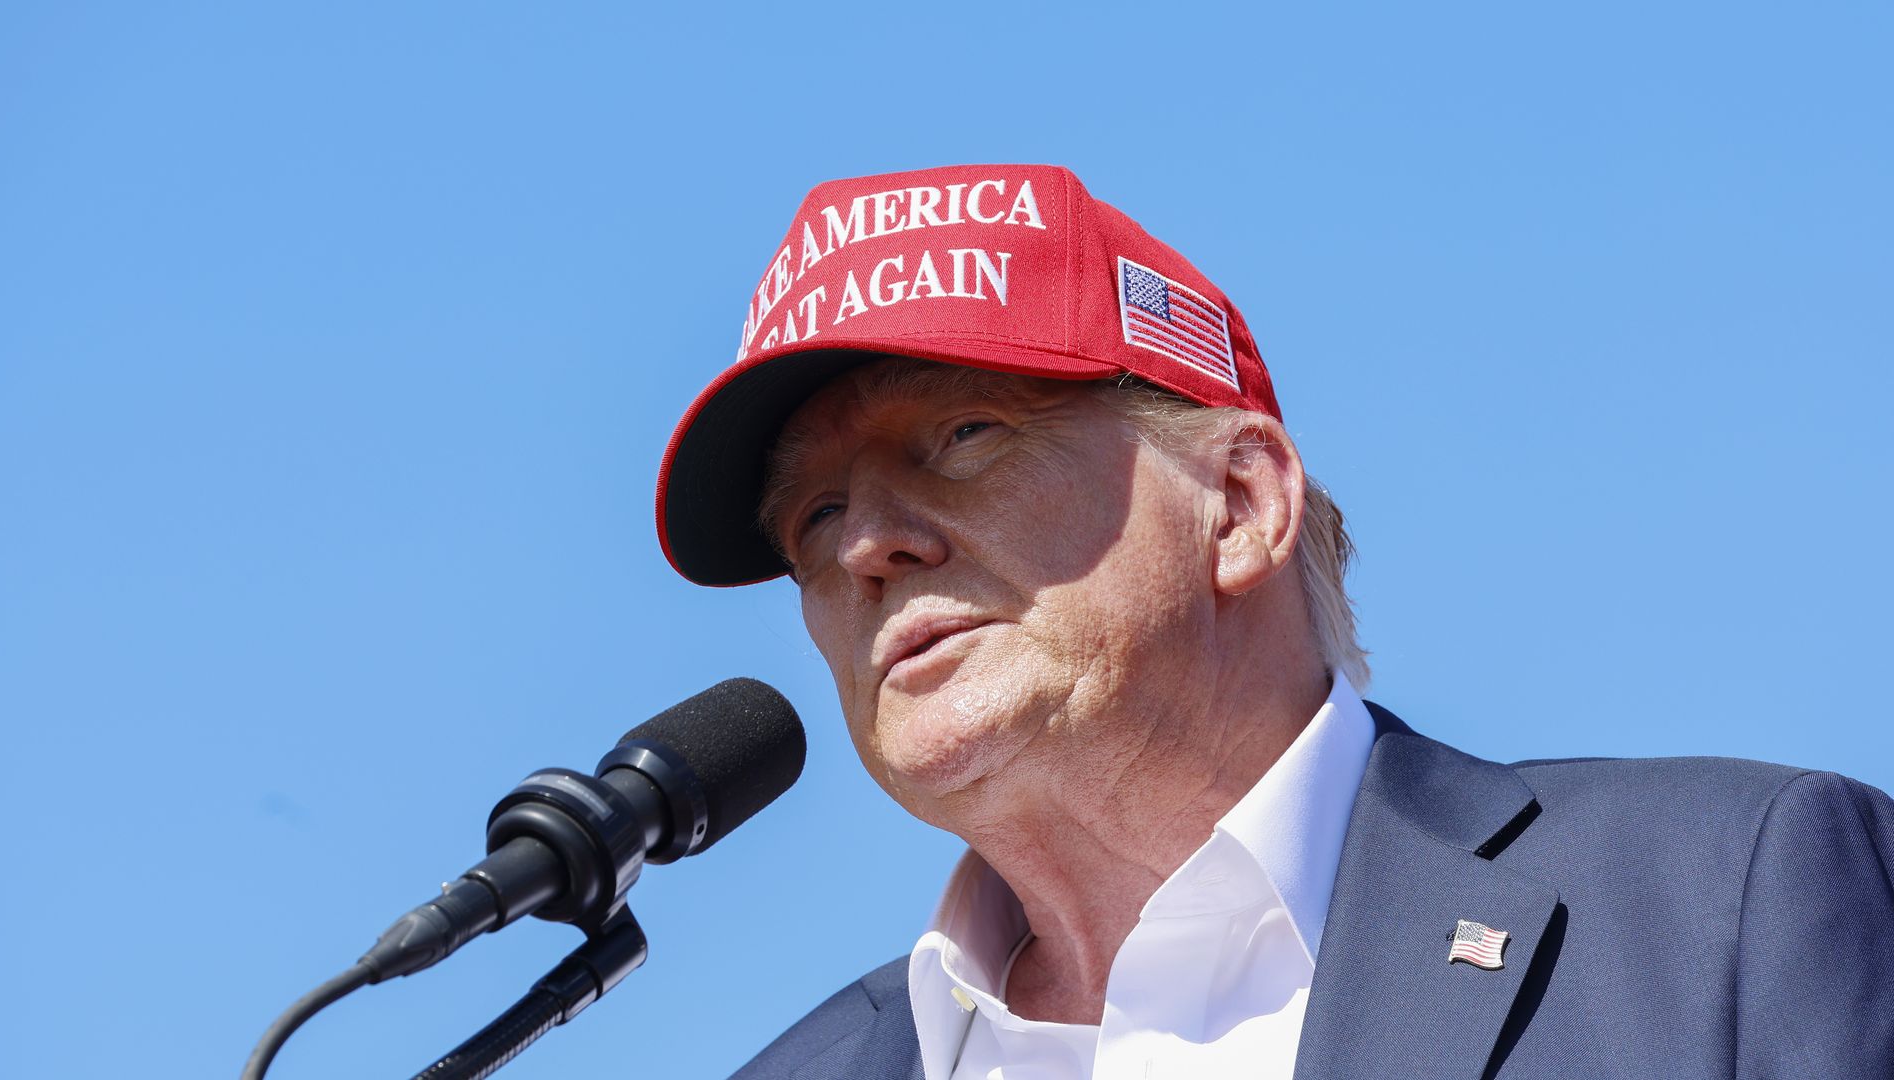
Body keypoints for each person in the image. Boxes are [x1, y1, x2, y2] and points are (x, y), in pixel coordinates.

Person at [653, 165, 1894, 1079]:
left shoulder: (1725, 906)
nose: (867, 545)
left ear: (1240, 504)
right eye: (812, 517)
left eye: (967, 437)